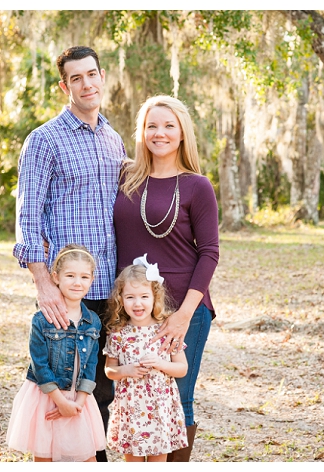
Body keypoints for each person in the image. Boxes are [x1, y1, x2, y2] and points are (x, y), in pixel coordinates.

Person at [13, 45, 126, 462]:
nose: (86, 83)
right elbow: (28, 217)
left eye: (92, 74)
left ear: (102, 77)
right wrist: (44, 284)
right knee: (60, 391)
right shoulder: (44, 141)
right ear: (64, 86)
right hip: (69, 292)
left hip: (110, 287)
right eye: (76, 78)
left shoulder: (113, 139)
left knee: (99, 390)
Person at [113, 95, 220, 461]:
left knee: (177, 396)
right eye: (151, 126)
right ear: (141, 132)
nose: (160, 133)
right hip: (133, 308)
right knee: (131, 393)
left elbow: (209, 253)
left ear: (182, 133)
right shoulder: (124, 176)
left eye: (168, 125)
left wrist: (184, 314)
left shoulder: (197, 186)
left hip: (183, 308)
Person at [6, 244, 106, 462]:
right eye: (70, 275)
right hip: (47, 397)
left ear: (92, 280)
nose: (77, 282)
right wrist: (60, 402)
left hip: (79, 399)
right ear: (56, 277)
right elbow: (39, 366)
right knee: (45, 457)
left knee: (88, 458)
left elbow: (90, 366)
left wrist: (78, 403)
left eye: (84, 276)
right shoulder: (42, 320)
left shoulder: (93, 321)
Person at [103, 257, 189, 462]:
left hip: (160, 409)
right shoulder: (117, 334)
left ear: (154, 297)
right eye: (130, 297)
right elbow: (109, 371)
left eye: (144, 296)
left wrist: (161, 364)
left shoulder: (166, 330)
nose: (138, 303)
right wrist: (127, 370)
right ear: (120, 299)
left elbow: (182, 368)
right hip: (131, 410)